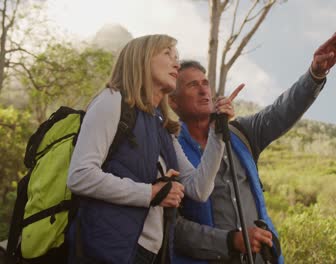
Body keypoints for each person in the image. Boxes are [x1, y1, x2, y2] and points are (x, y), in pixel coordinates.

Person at [168, 25, 336, 263]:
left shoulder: (241, 133)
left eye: (205, 83)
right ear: (173, 102)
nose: (204, 91)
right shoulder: (168, 148)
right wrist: (230, 241)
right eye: (192, 85)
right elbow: (174, 228)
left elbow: (281, 110)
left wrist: (315, 74)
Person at [67, 34, 238, 264]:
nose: (176, 63)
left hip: (149, 253)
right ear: (141, 59)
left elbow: (198, 189)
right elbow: (80, 176)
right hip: (105, 250)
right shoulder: (112, 100)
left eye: (176, 57)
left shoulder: (162, 127)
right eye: (167, 54)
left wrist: (217, 134)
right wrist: (150, 193)